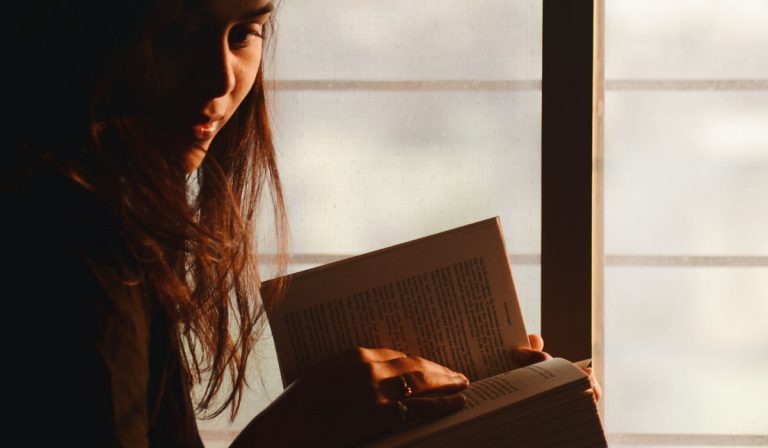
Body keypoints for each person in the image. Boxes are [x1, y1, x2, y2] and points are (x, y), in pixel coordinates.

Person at [5, 1, 595, 446]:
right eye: (177, 34)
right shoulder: (65, 238)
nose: (220, 77)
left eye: (244, 32)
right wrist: (291, 432)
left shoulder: (117, 215)